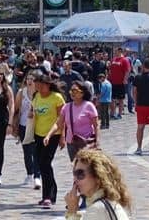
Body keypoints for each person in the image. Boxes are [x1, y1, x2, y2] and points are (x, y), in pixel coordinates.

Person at [64, 148, 132, 220]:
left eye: (80, 174)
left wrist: (72, 211)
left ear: (98, 177)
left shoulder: (97, 209)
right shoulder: (109, 203)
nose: (75, 179)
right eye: (74, 174)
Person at [36, 73, 66, 209]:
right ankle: (49, 195)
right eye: (37, 85)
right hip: (38, 134)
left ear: (48, 85)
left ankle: (48, 196)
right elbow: (34, 111)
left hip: (53, 135)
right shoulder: (36, 96)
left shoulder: (57, 98)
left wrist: (62, 136)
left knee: (45, 162)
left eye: (41, 85)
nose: (39, 88)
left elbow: (62, 119)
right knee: (42, 165)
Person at [13, 69, 41, 189]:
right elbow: (17, 109)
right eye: (28, 79)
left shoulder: (40, 93)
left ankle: (37, 176)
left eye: (32, 79)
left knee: (37, 152)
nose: (30, 81)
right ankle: (29, 173)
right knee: (27, 151)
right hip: (24, 124)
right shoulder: (21, 92)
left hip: (38, 125)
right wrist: (14, 125)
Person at [108, 47, 130, 120]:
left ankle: (120, 113)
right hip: (112, 82)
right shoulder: (113, 59)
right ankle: (113, 113)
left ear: (120, 51)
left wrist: (125, 80)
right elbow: (110, 70)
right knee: (112, 98)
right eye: (115, 51)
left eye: (116, 51)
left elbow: (127, 71)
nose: (115, 52)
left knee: (121, 99)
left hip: (121, 82)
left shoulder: (124, 60)